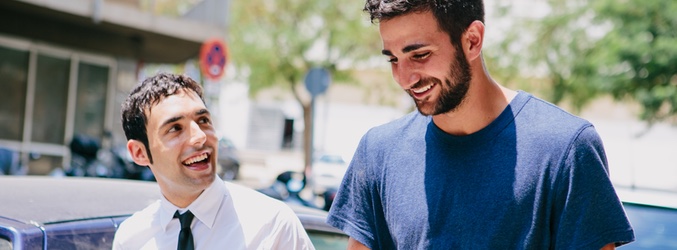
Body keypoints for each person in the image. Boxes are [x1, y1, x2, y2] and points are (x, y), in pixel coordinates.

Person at [326, 1, 635, 249]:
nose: (404, 77)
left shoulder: (565, 148)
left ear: (472, 40)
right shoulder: (379, 151)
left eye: (419, 55)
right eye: (392, 59)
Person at [113, 72, 314, 250]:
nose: (199, 136)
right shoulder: (131, 238)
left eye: (203, 121)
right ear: (140, 153)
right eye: (175, 128)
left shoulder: (272, 226)